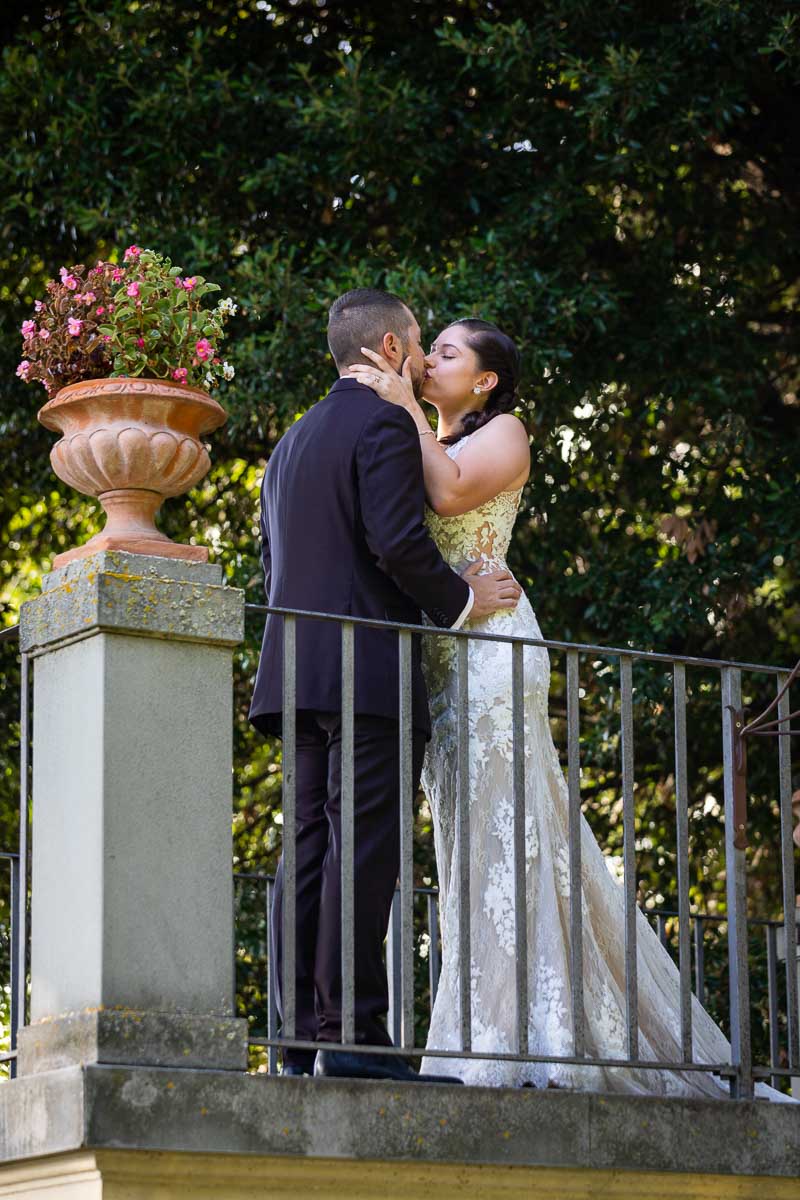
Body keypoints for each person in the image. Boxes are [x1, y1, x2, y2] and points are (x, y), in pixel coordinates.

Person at [345, 318, 793, 1100]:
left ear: (485, 381)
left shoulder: (507, 432)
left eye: (448, 352)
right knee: (468, 849)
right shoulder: (416, 430)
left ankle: (528, 1037)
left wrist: (401, 406)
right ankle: (481, 1025)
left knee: (508, 832)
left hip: (492, 651)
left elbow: (449, 491)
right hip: (443, 660)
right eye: (432, 347)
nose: (429, 360)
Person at [249, 291, 522, 1082]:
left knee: (304, 852)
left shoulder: (292, 440)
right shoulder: (384, 425)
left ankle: (296, 1040)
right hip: (365, 668)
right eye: (421, 343)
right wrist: (466, 601)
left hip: (292, 668)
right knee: (362, 851)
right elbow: (399, 544)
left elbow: (274, 563)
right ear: (396, 347)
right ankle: (356, 1037)